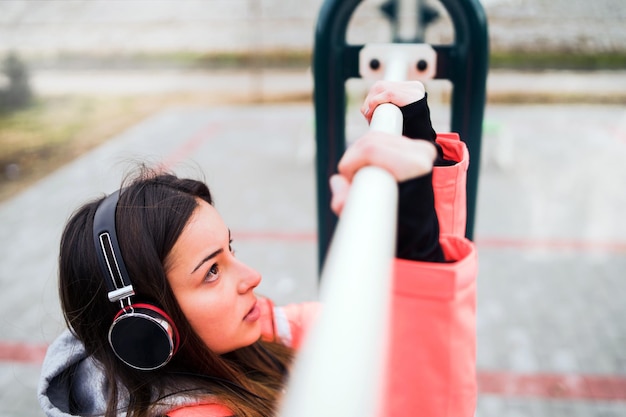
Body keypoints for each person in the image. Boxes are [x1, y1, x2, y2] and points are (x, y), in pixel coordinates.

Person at [38, 81, 477, 417]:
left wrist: (421, 167)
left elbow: (378, 329)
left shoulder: (239, 341)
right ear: (148, 329)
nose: (252, 277)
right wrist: (416, 247)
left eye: (230, 250)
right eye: (212, 271)